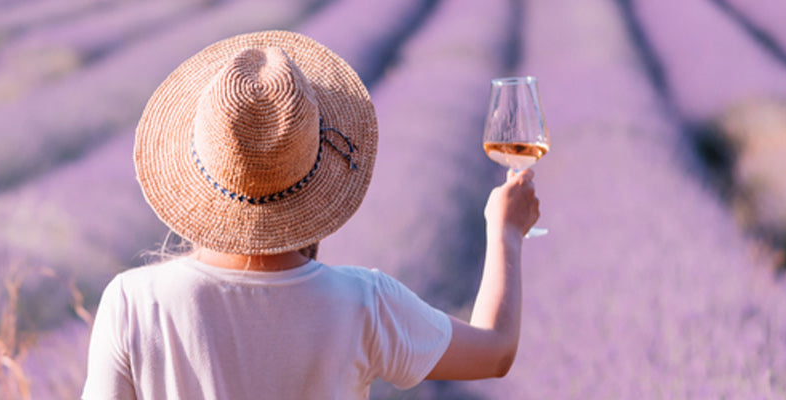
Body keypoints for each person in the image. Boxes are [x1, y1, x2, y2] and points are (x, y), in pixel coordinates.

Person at [82, 30, 539, 399]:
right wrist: (505, 233)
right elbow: (494, 351)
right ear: (313, 167)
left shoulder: (133, 304)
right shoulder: (363, 303)